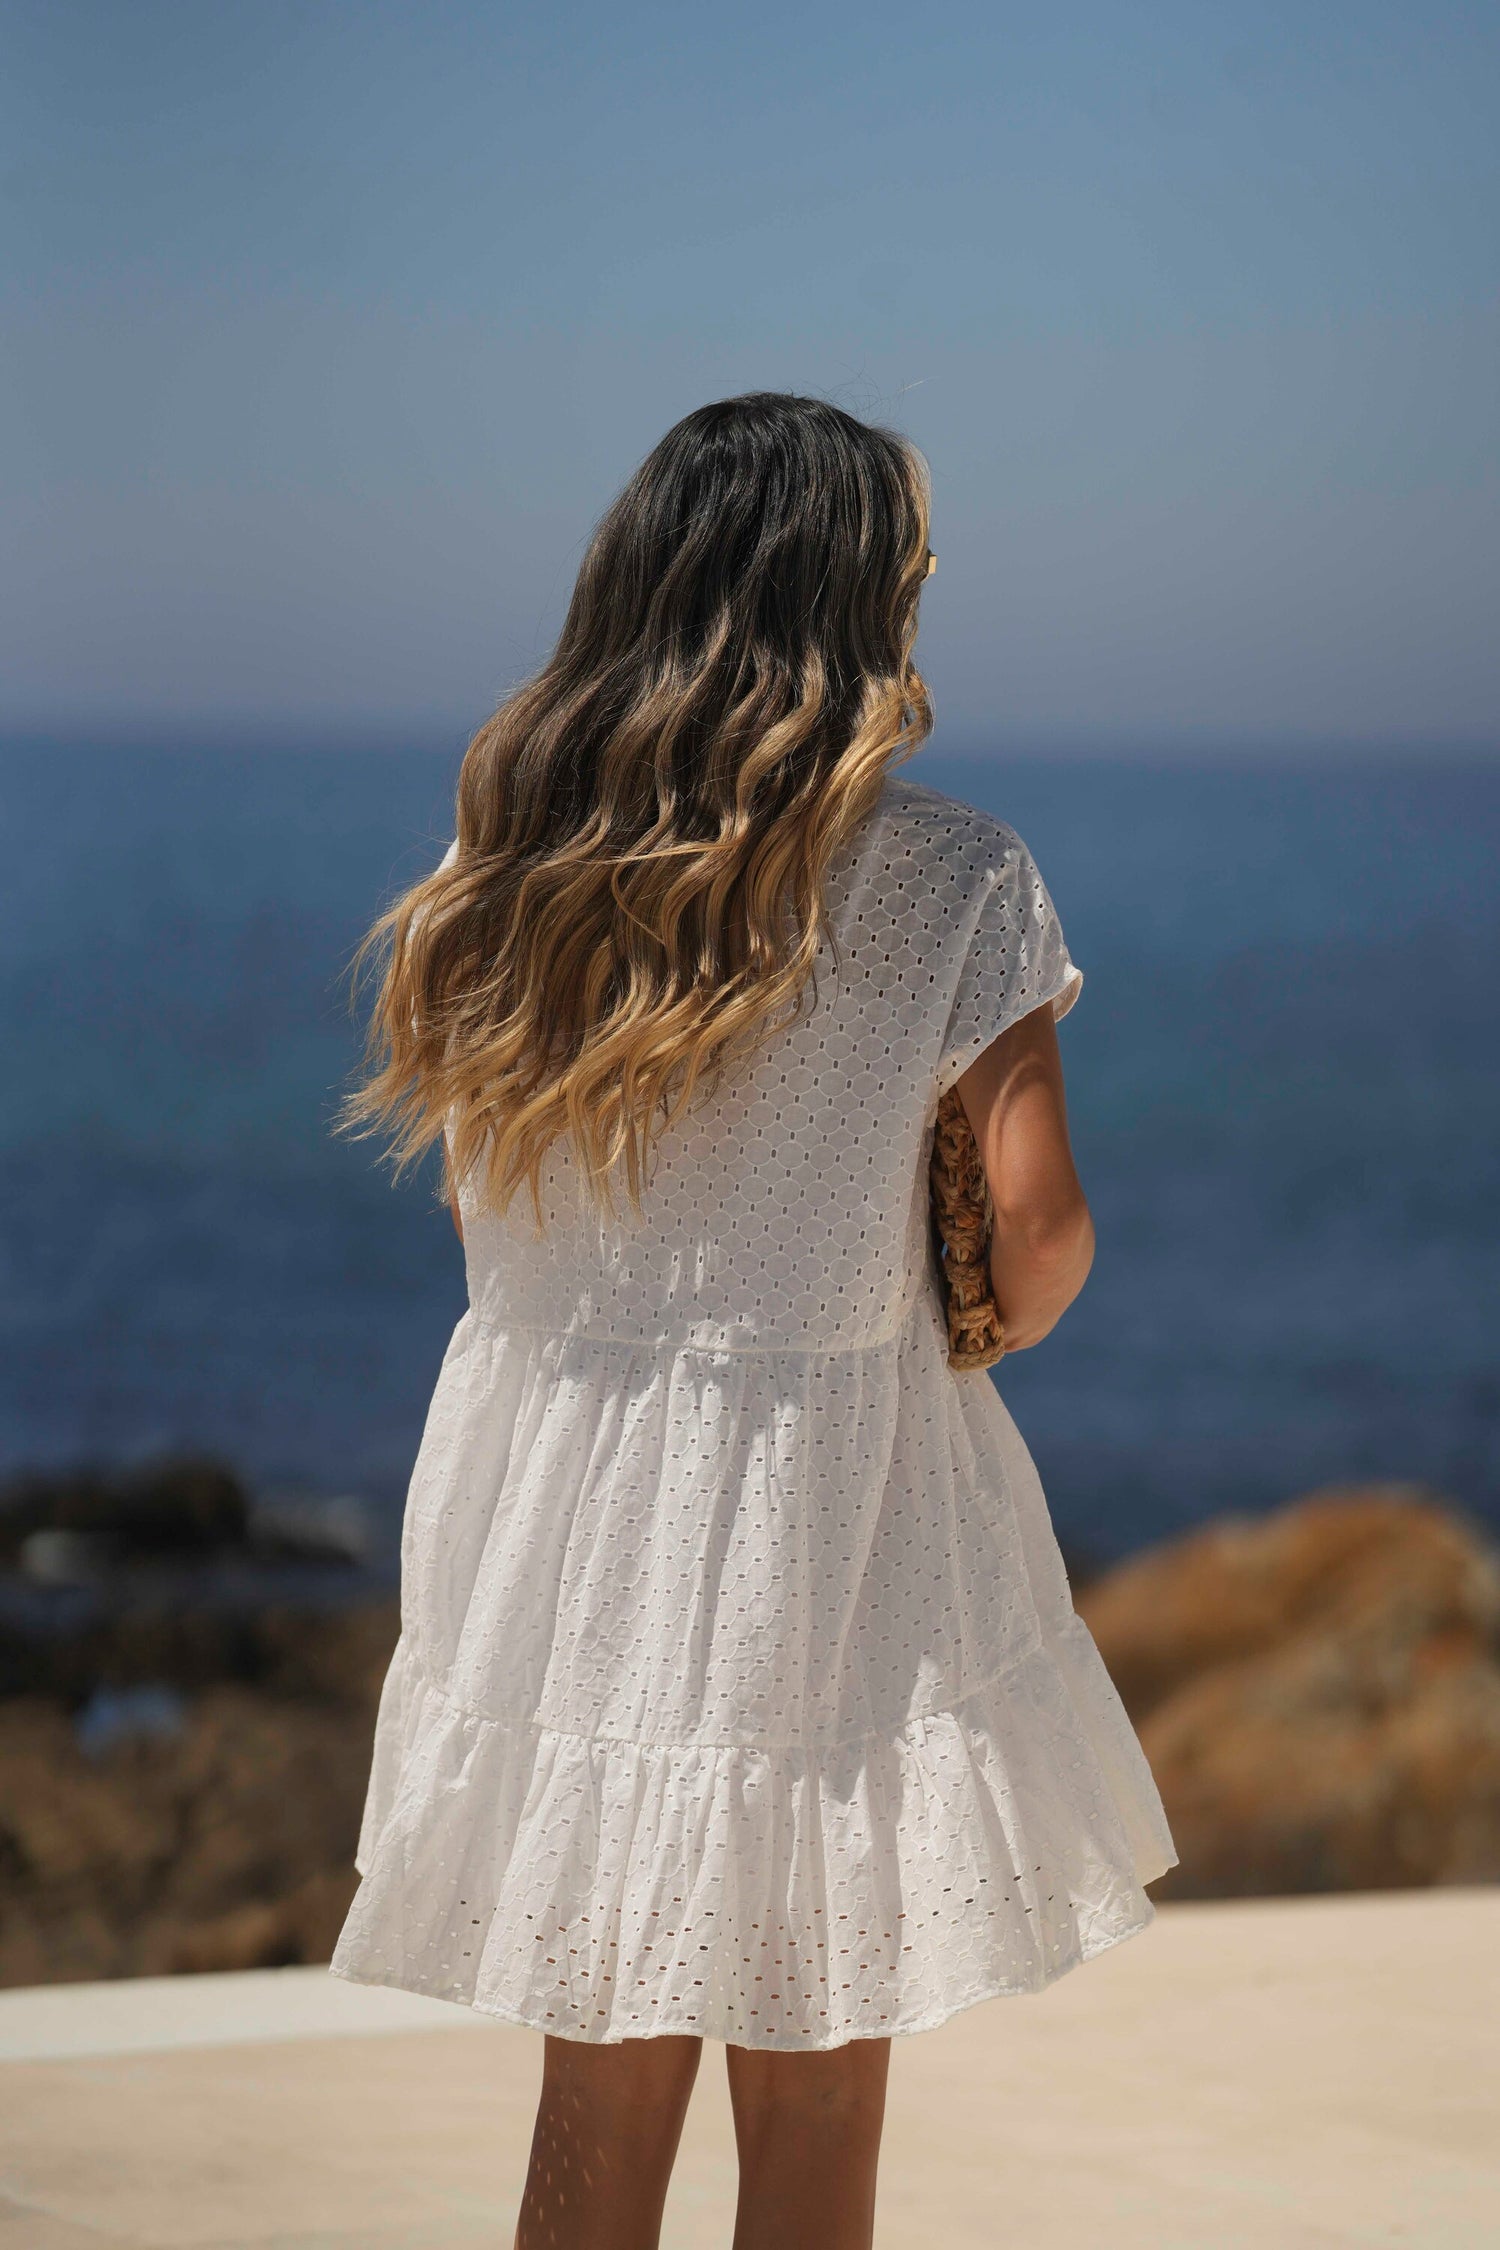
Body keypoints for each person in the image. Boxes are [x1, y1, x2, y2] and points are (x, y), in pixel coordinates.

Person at [331, 393, 1175, 2249]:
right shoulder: (953, 877)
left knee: (593, 2106)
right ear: (855, 599)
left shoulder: (508, 873)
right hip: (826, 1525)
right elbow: (1038, 1230)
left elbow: (497, 1212)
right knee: (815, 2097)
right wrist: (971, 1323)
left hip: (561, 1523)